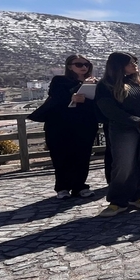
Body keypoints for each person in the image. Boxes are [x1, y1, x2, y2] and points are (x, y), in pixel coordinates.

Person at [95, 52, 140, 215]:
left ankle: (138, 196)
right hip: (124, 131)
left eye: (135, 62)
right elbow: (110, 110)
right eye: (130, 63)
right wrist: (139, 122)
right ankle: (117, 201)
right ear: (118, 66)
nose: (135, 65)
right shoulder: (106, 85)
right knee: (124, 165)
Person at [43, 54, 100, 199]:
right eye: (79, 64)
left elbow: (98, 103)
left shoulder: (96, 83)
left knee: (82, 156)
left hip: (85, 125)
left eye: (86, 64)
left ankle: (80, 186)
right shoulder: (59, 81)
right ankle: (62, 187)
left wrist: (86, 93)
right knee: (61, 156)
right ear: (70, 66)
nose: (84, 67)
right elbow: (57, 97)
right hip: (59, 125)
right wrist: (79, 89)